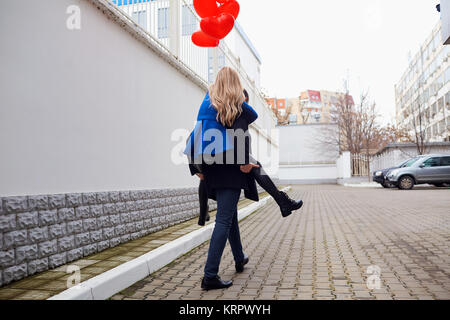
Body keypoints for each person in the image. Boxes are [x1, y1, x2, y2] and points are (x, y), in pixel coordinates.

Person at [184, 67, 303, 291]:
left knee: (229, 215)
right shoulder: (236, 105)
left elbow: (195, 133)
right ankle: (210, 275)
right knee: (224, 220)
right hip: (230, 169)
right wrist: (244, 163)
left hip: (211, 168)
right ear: (236, 84)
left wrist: (194, 166)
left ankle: (239, 257)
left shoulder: (208, 103)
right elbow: (241, 135)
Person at [194, 91, 303, 227]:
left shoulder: (217, 107)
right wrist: (245, 162)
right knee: (255, 166)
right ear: (243, 99)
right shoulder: (236, 112)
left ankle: (203, 213)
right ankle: (282, 201)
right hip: (221, 156)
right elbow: (239, 139)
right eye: (245, 101)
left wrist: (195, 165)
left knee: (226, 210)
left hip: (207, 154)